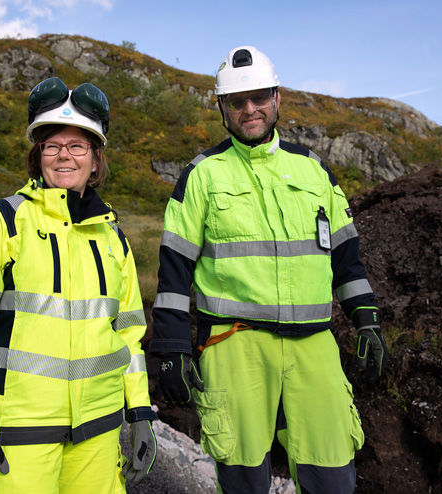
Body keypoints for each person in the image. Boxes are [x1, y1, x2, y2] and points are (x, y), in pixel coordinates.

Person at [151, 46, 387, 493]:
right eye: (237, 101)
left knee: (333, 473)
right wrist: (172, 348)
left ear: (277, 98)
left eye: (259, 97)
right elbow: (174, 271)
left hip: (314, 347)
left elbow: (346, 256)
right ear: (223, 108)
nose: (250, 109)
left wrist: (367, 320)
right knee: (242, 478)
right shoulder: (202, 175)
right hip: (234, 346)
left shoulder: (314, 170)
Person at [0, 77, 157, 494]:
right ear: (38, 156)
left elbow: (129, 335)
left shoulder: (113, 238)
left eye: (77, 146)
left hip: (99, 431)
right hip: (19, 434)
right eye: (52, 146)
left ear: (95, 158)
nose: (64, 156)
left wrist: (141, 411)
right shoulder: (1, 224)